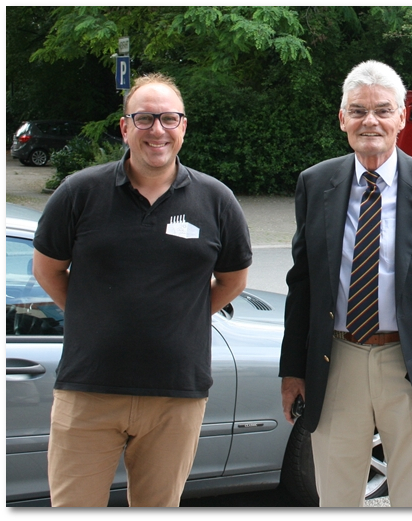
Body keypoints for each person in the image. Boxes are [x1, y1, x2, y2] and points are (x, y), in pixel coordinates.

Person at [32, 73, 253, 507]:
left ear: (183, 126)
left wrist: (180, 316)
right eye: (145, 118)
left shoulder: (217, 200)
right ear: (125, 127)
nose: (158, 130)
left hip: (176, 397)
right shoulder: (80, 192)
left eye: (169, 119)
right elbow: (48, 271)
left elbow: (233, 281)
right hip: (88, 392)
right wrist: (92, 314)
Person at [279, 60, 412, 507]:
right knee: (336, 498)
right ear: (342, 119)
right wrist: (292, 369)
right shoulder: (316, 184)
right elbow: (303, 284)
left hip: (411, 367)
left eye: (381, 110)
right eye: (357, 110)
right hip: (337, 361)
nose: (368, 120)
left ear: (401, 116)